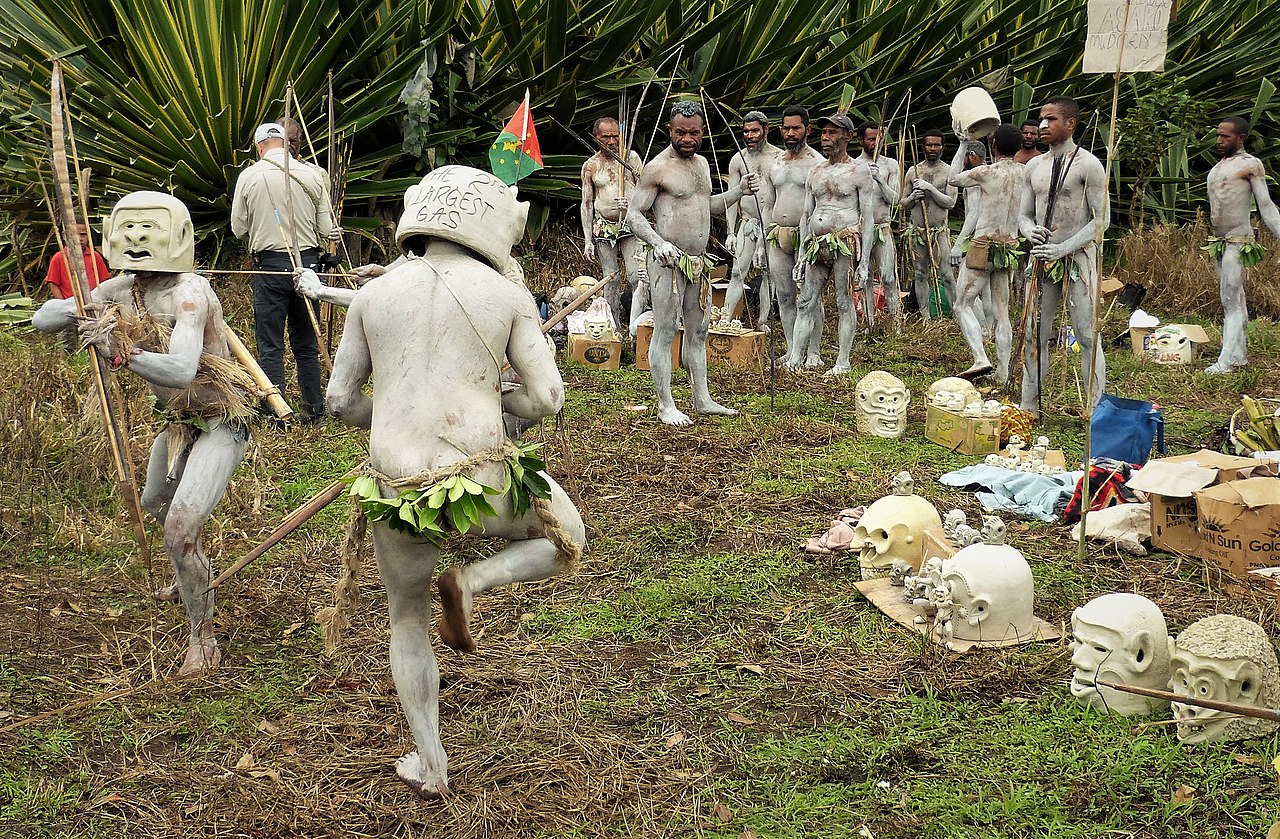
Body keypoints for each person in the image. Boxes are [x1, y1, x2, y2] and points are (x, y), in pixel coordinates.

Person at [326, 165, 585, 797]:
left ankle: (431, 762)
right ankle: (472, 579)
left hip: (398, 489)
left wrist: (386, 417)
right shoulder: (507, 294)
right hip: (484, 478)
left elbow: (338, 400)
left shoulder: (373, 293)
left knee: (407, 618)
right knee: (566, 537)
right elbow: (548, 398)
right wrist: (499, 406)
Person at [32, 192, 255, 679]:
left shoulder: (189, 293)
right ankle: (189, 573)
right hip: (178, 425)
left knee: (179, 529)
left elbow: (180, 369)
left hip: (223, 421)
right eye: (128, 230)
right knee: (158, 502)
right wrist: (80, 312)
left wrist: (120, 350)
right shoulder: (122, 288)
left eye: (146, 230)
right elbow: (41, 318)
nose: (135, 240)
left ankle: (204, 639)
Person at [625, 100, 757, 426]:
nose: (687, 138)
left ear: (702, 132)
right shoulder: (657, 168)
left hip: (698, 264)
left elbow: (707, 206)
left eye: (694, 132)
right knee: (666, 330)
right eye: (681, 132)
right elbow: (634, 215)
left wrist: (739, 191)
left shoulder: (702, 165)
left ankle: (703, 399)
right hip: (667, 263)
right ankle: (666, 404)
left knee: (698, 332)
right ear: (670, 130)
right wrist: (658, 243)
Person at [230, 122, 333, 423]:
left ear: (259, 146)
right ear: (286, 143)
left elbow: (238, 228)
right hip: (309, 265)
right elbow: (326, 229)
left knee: (270, 344)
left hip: (271, 267)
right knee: (307, 343)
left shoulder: (249, 176)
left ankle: (278, 415)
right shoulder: (312, 175)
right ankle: (315, 411)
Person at [1019, 96, 1108, 415]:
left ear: (1070, 123)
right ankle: (1029, 406)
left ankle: (1097, 408)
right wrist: (1030, 232)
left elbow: (1101, 220)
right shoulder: (1033, 166)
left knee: (1086, 334)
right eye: (1041, 119)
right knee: (1034, 334)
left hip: (1077, 260)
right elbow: (1024, 216)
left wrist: (1063, 247)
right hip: (1042, 259)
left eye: (1051, 119)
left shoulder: (1088, 164)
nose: (1043, 125)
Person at [785, 113, 870, 375]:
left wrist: (864, 262)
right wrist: (801, 254)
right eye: (823, 133)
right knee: (805, 301)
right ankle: (795, 358)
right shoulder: (816, 171)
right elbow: (806, 215)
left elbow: (867, 217)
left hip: (845, 240)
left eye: (833, 133)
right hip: (816, 244)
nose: (826, 137)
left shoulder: (859, 172)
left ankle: (842, 361)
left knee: (844, 301)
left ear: (848, 136)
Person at [949, 124, 1025, 383]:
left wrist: (962, 144)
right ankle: (1003, 373)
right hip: (1009, 246)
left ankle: (980, 358)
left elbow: (953, 179)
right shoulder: (1026, 174)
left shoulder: (986, 172)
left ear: (993, 146)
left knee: (962, 304)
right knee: (1002, 311)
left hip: (984, 244)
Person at [1204, 117, 1280, 373]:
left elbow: (1266, 206)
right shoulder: (1217, 168)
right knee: (1234, 299)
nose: (1219, 140)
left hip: (1239, 240)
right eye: (1218, 135)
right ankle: (1238, 356)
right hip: (1219, 241)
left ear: (1240, 138)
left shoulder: (1250, 165)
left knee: (1230, 300)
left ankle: (1225, 363)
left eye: (1225, 136)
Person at [758, 105, 825, 362]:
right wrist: (763, 242)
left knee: (809, 297)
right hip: (778, 234)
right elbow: (767, 204)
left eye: (796, 128)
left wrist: (813, 238)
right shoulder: (775, 164)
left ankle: (814, 352)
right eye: (786, 128)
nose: (790, 133)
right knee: (784, 295)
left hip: (806, 235)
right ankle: (791, 349)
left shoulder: (816, 163)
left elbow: (821, 205)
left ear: (807, 130)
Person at [579, 117, 646, 333]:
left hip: (629, 224)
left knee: (638, 276)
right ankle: (613, 327)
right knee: (611, 278)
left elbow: (647, 190)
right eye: (605, 136)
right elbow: (587, 203)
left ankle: (638, 327)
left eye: (615, 136)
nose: (611, 141)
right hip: (604, 226)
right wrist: (588, 239)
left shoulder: (631, 158)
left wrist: (632, 203)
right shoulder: (591, 165)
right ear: (595, 137)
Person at [724, 110, 780, 326]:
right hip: (747, 223)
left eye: (755, 130)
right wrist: (730, 231)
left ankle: (763, 320)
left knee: (769, 274)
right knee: (738, 271)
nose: (750, 135)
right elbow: (731, 197)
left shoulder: (777, 157)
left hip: (771, 225)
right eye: (746, 131)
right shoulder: (738, 159)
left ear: (765, 130)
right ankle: (725, 319)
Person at [901, 130, 958, 319]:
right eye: (929, 145)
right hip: (917, 231)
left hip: (939, 231)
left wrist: (930, 189)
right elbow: (903, 204)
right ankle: (925, 316)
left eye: (937, 145)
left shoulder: (949, 172)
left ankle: (957, 315)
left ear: (943, 147)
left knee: (947, 275)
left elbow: (950, 202)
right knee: (920, 273)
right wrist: (912, 197)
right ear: (923, 147)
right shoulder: (913, 171)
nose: (933, 149)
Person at [854, 121, 902, 328]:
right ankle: (870, 322)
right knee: (863, 278)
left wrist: (879, 180)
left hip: (882, 228)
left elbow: (895, 200)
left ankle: (895, 323)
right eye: (871, 139)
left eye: (878, 139)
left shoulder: (890, 165)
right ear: (861, 141)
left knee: (888, 277)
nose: (875, 143)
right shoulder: (854, 165)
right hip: (860, 229)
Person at [44, 222, 109, 300]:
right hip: (69, 304)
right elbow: (53, 284)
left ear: (88, 235)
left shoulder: (95, 256)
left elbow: (104, 281)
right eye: (74, 235)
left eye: (83, 235)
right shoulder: (59, 258)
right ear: (64, 235)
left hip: (94, 301)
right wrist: (63, 304)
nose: (79, 238)